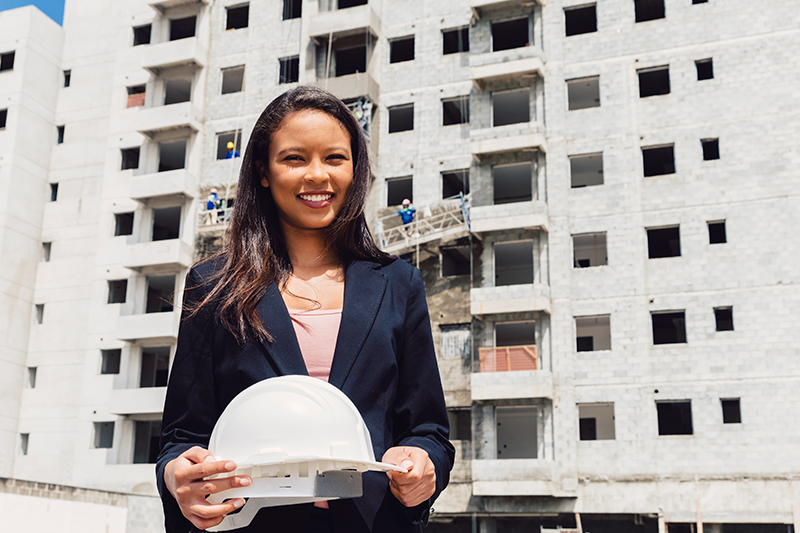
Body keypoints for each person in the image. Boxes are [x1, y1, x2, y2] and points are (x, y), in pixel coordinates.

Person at [157, 86, 454, 533]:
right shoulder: (213, 285)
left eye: (335, 158)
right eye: (295, 159)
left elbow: (428, 429)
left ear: (356, 169)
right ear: (262, 170)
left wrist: (423, 463)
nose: (317, 175)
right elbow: (182, 437)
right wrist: (178, 477)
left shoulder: (399, 284)